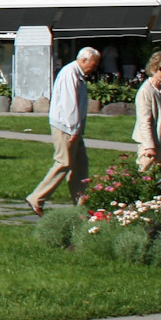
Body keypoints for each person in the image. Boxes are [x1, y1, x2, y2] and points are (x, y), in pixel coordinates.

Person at [26, 47, 101, 215]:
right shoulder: (70, 74)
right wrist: (73, 130)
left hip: (73, 128)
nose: (94, 68)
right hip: (65, 127)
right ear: (84, 60)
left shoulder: (78, 74)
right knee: (64, 162)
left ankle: (82, 205)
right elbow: (69, 105)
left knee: (80, 165)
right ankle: (36, 198)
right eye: (93, 64)